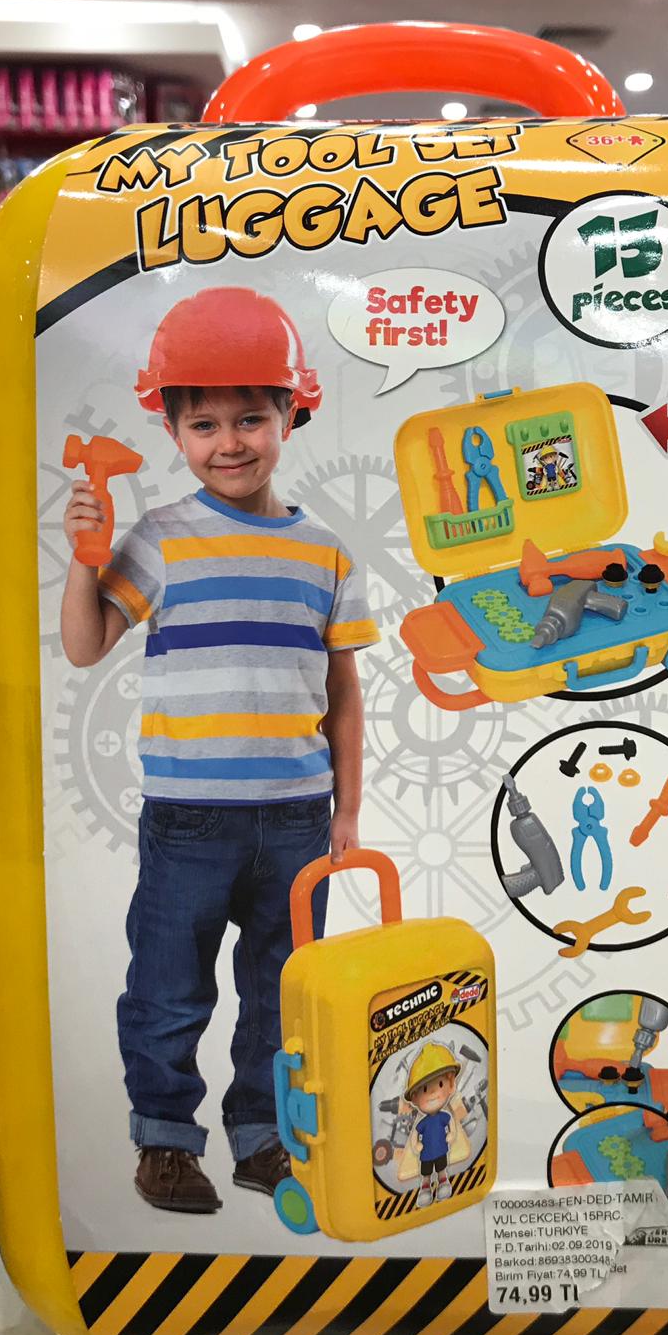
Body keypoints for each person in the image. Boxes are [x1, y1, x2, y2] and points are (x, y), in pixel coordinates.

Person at [61, 287, 378, 1214]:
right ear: (173, 431)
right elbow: (85, 644)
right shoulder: (162, 537)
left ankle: (261, 1138)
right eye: (203, 424)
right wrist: (85, 557)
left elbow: (344, 698)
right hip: (188, 821)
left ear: (292, 415)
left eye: (250, 419)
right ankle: (165, 1142)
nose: (228, 443)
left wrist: (348, 811)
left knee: (282, 994)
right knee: (167, 991)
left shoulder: (327, 554)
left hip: (297, 821)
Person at [402, 1043, 463, 1207]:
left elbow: (450, 1123)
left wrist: (452, 1134)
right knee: (426, 1172)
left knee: (442, 1168)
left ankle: (443, 1182)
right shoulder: (423, 1122)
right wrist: (416, 1144)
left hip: (441, 1150)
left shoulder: (444, 1116)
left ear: (451, 1085)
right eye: (424, 1089)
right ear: (415, 1098)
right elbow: (415, 1133)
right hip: (426, 1154)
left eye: (440, 1084)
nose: (432, 1093)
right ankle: (425, 1189)